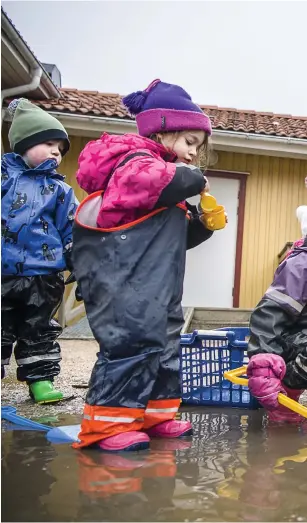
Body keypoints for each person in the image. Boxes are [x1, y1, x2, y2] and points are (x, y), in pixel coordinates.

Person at [72, 79, 227, 451]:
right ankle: (107, 426)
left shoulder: (164, 184)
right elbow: (152, 180)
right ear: (161, 130)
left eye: (197, 148)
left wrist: (201, 225)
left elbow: (174, 237)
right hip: (124, 283)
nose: (193, 155)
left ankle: (156, 415)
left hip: (160, 286)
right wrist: (191, 179)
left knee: (164, 346)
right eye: (189, 143)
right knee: (131, 346)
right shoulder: (134, 163)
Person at [1, 98, 78, 403]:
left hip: (44, 275)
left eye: (60, 148)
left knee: (39, 328)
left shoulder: (60, 190)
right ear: (24, 143)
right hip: (3, 272)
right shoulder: (4, 180)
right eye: (48, 143)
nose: (56, 152)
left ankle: (41, 380)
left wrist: (79, 265)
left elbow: (71, 228)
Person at [247, 236, 307, 422]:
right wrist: (265, 363)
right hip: (293, 344)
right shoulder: (301, 266)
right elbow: (270, 314)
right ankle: (287, 394)